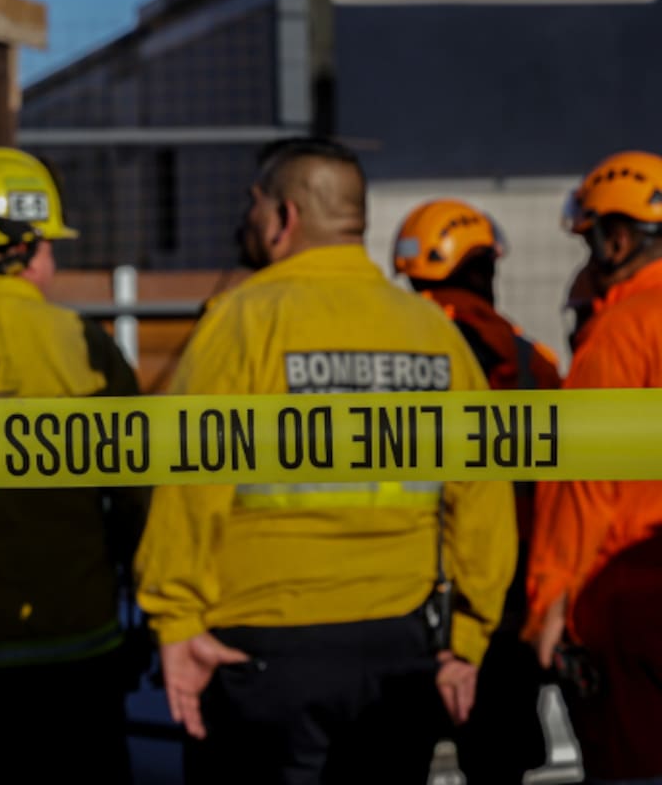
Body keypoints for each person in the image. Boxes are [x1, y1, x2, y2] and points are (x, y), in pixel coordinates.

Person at [134, 137, 517, 785]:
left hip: (263, 652)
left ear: (284, 218)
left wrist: (175, 620)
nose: (247, 220)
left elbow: (188, 483)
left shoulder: (240, 324)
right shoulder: (432, 333)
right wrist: (469, 640)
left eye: (254, 206)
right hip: (401, 650)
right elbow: (481, 495)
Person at [0, 146, 147, 784]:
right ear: (22, 247)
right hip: (79, 644)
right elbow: (134, 493)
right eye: (49, 244)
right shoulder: (81, 343)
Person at [393, 198, 560, 784]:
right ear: (484, 269)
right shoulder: (531, 363)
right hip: (504, 599)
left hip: (405, 597)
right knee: (497, 763)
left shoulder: (392, 354)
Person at [525, 149, 662, 783]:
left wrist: (554, 601)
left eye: (590, 242)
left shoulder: (623, 332)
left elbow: (584, 482)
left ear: (618, 239)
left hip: (630, 603)